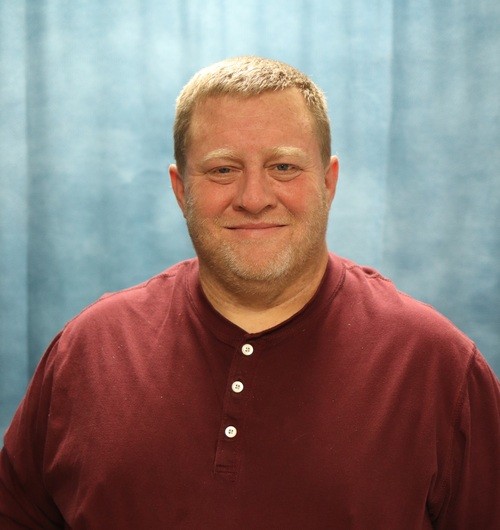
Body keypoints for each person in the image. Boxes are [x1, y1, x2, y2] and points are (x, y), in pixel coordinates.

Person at [0, 56, 499, 529]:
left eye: (283, 167)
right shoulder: (91, 349)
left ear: (328, 183)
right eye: (223, 170)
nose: (254, 199)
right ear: (181, 189)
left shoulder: (438, 365)